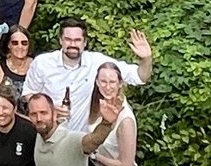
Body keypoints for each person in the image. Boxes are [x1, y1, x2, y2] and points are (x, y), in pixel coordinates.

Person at [23, 21, 153, 133]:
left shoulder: (96, 62)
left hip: (81, 140)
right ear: (60, 41)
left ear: (84, 42)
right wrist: (49, 108)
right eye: (68, 39)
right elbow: (28, 94)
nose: (72, 44)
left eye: (77, 40)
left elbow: (140, 77)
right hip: (48, 134)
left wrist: (146, 58)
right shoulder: (42, 63)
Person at [0, 26, 36, 106]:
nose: (20, 47)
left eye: (24, 43)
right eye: (15, 43)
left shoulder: (37, 65)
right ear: (8, 45)